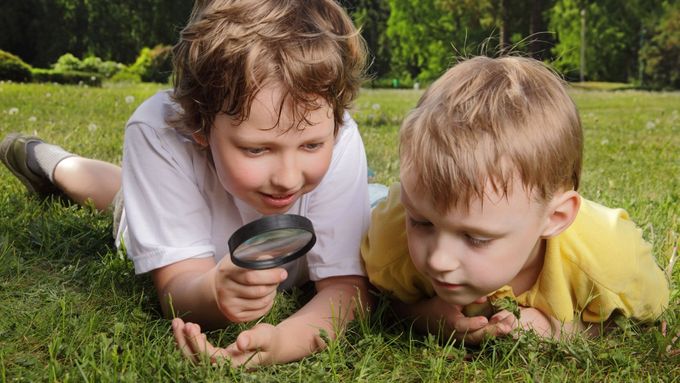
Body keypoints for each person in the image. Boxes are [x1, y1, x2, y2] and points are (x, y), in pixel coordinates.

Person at [1, 0, 371, 366]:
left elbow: (348, 290)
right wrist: (213, 293)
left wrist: (283, 342)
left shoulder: (339, 134)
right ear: (199, 124)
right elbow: (177, 286)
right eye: (256, 149)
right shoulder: (158, 132)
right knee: (121, 202)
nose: (288, 178)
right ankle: (53, 162)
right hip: (163, 212)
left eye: (311, 145)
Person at [361, 56, 669, 344]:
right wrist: (424, 318)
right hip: (379, 203)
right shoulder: (392, 240)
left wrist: (560, 329)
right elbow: (372, 299)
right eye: (422, 222)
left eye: (477, 238)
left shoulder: (613, 264)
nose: (439, 259)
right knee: (367, 199)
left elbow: (647, 312)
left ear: (555, 218)